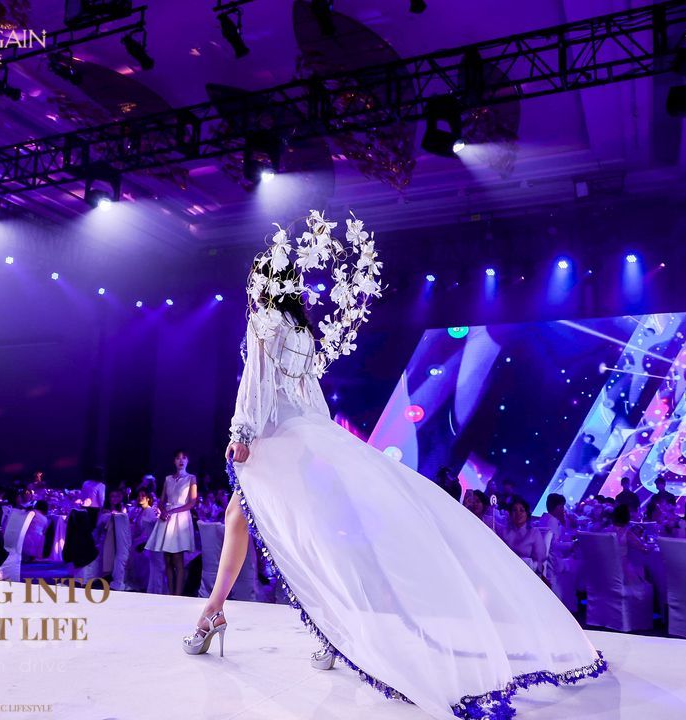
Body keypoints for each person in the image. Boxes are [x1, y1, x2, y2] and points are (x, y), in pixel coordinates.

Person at [183, 215, 604, 720]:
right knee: (281, 528)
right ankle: (285, 623)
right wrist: (318, 437)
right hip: (303, 437)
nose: (251, 286)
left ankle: (228, 614)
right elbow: (308, 395)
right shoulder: (301, 330)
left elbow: (254, 384)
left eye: (255, 278)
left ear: (264, 282)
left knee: (267, 527)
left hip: (273, 439)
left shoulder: (264, 322)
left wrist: (241, 432)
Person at [145, 450, 197, 595]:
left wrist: (172, 511)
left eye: (184, 458)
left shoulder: (191, 478)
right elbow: (161, 500)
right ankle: (170, 594)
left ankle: (178, 595)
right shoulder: (168, 479)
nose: (181, 460)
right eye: (178, 458)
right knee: (167, 559)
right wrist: (162, 511)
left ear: (187, 461)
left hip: (180, 519)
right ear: (174, 461)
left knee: (177, 559)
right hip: (167, 518)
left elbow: (192, 502)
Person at [499, 496, 547, 575]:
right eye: (515, 510)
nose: (518, 513)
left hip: (526, 574)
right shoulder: (504, 531)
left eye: (522, 510)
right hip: (504, 571)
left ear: (527, 514)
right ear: (510, 514)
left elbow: (540, 559)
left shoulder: (534, 533)